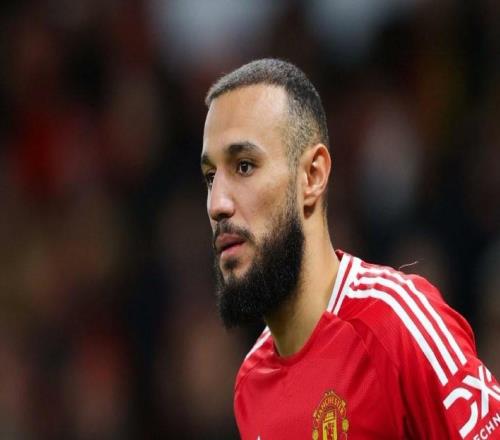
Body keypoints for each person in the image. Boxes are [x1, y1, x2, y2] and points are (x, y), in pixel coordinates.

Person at [200, 59, 500, 439]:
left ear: (312, 176)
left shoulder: (396, 323)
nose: (217, 204)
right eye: (210, 176)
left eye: (244, 166)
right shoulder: (250, 383)